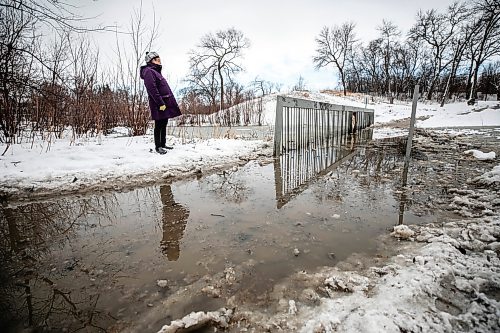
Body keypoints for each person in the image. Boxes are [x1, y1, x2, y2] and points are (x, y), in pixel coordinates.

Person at [140, 51, 182, 154]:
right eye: (158, 60)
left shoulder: (156, 72)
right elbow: (152, 89)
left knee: (164, 123)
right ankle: (158, 146)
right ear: (152, 61)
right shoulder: (149, 71)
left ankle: (163, 144)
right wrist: (160, 103)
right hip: (158, 103)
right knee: (158, 124)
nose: (160, 61)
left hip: (165, 102)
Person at [159, 185, 189, 261]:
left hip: (170, 213)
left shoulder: (174, 238)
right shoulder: (177, 237)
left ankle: (165, 185)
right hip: (171, 214)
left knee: (167, 202)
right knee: (167, 202)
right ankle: (165, 185)